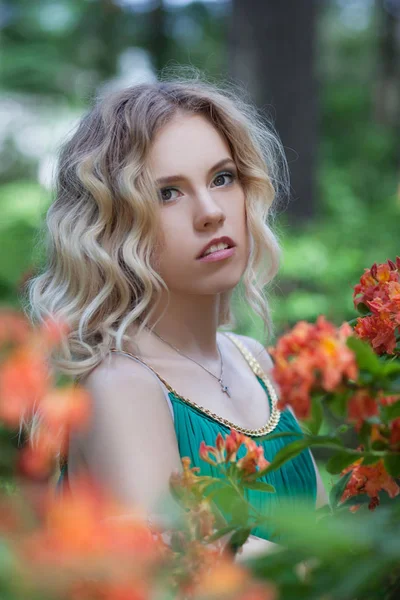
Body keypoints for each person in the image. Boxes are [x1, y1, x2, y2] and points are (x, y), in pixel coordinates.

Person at [27, 73, 328, 561]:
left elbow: (321, 534)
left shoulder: (255, 360)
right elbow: (185, 572)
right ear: (112, 224)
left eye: (222, 178)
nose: (210, 212)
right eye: (168, 192)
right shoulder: (121, 383)